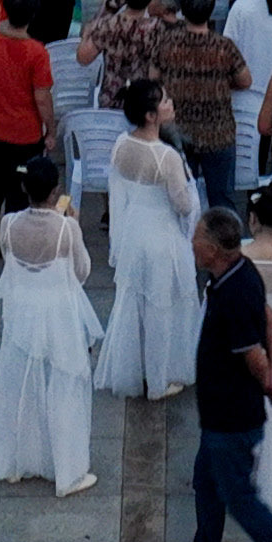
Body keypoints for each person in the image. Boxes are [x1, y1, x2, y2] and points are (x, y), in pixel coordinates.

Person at [163, 208, 272, 542]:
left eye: (197, 238)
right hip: (220, 415)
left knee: (241, 500)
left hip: (231, 418)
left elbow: (251, 351)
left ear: (214, 249)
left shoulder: (233, 290)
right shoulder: (240, 271)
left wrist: (270, 382)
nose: (192, 244)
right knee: (205, 481)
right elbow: (270, 319)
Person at [96, 81, 209, 397]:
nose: (170, 103)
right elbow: (183, 205)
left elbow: (117, 190)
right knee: (164, 306)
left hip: (134, 232)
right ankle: (160, 378)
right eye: (164, 101)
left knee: (137, 302)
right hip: (162, 238)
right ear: (150, 115)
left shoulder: (121, 144)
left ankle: (139, 368)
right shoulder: (166, 157)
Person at [0, 192, 102, 495]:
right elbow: (82, 271)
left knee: (19, 385)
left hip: (22, 311)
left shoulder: (8, 223)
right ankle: (68, 471)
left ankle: (14, 462)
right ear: (55, 194)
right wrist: (73, 225)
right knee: (64, 387)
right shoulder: (66, 229)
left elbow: (8, 258)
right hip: (58, 315)